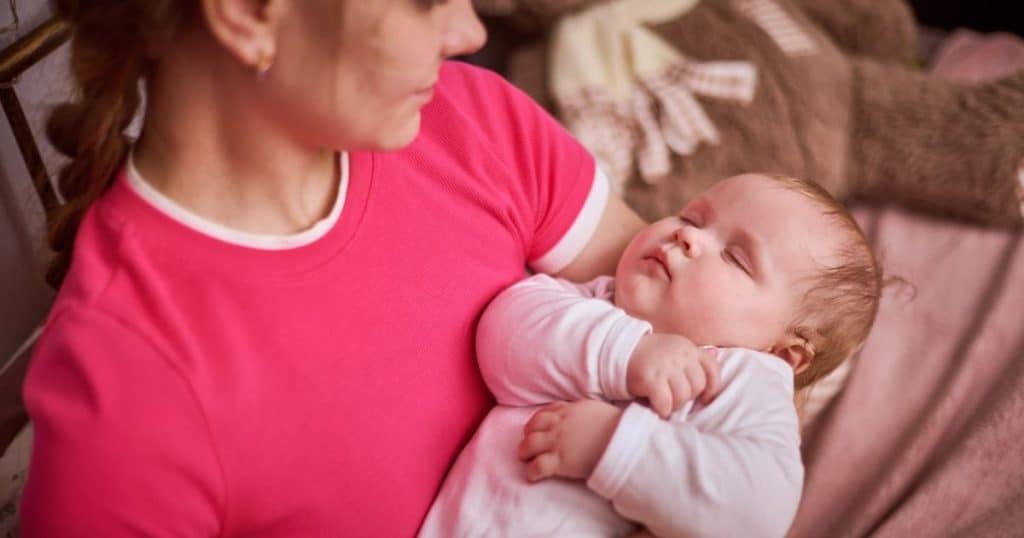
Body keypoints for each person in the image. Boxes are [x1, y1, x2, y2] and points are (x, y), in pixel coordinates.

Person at [20, 1, 647, 535]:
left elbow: (701, 336)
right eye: (424, 1)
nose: (469, 31)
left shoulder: (470, 118)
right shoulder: (124, 406)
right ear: (246, 13)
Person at [421, 173, 883, 537]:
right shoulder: (599, 302)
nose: (687, 237)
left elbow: (757, 513)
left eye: (736, 258)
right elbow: (503, 336)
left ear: (784, 353)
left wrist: (614, 446)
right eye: (691, 217)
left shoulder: (743, 379)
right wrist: (627, 352)